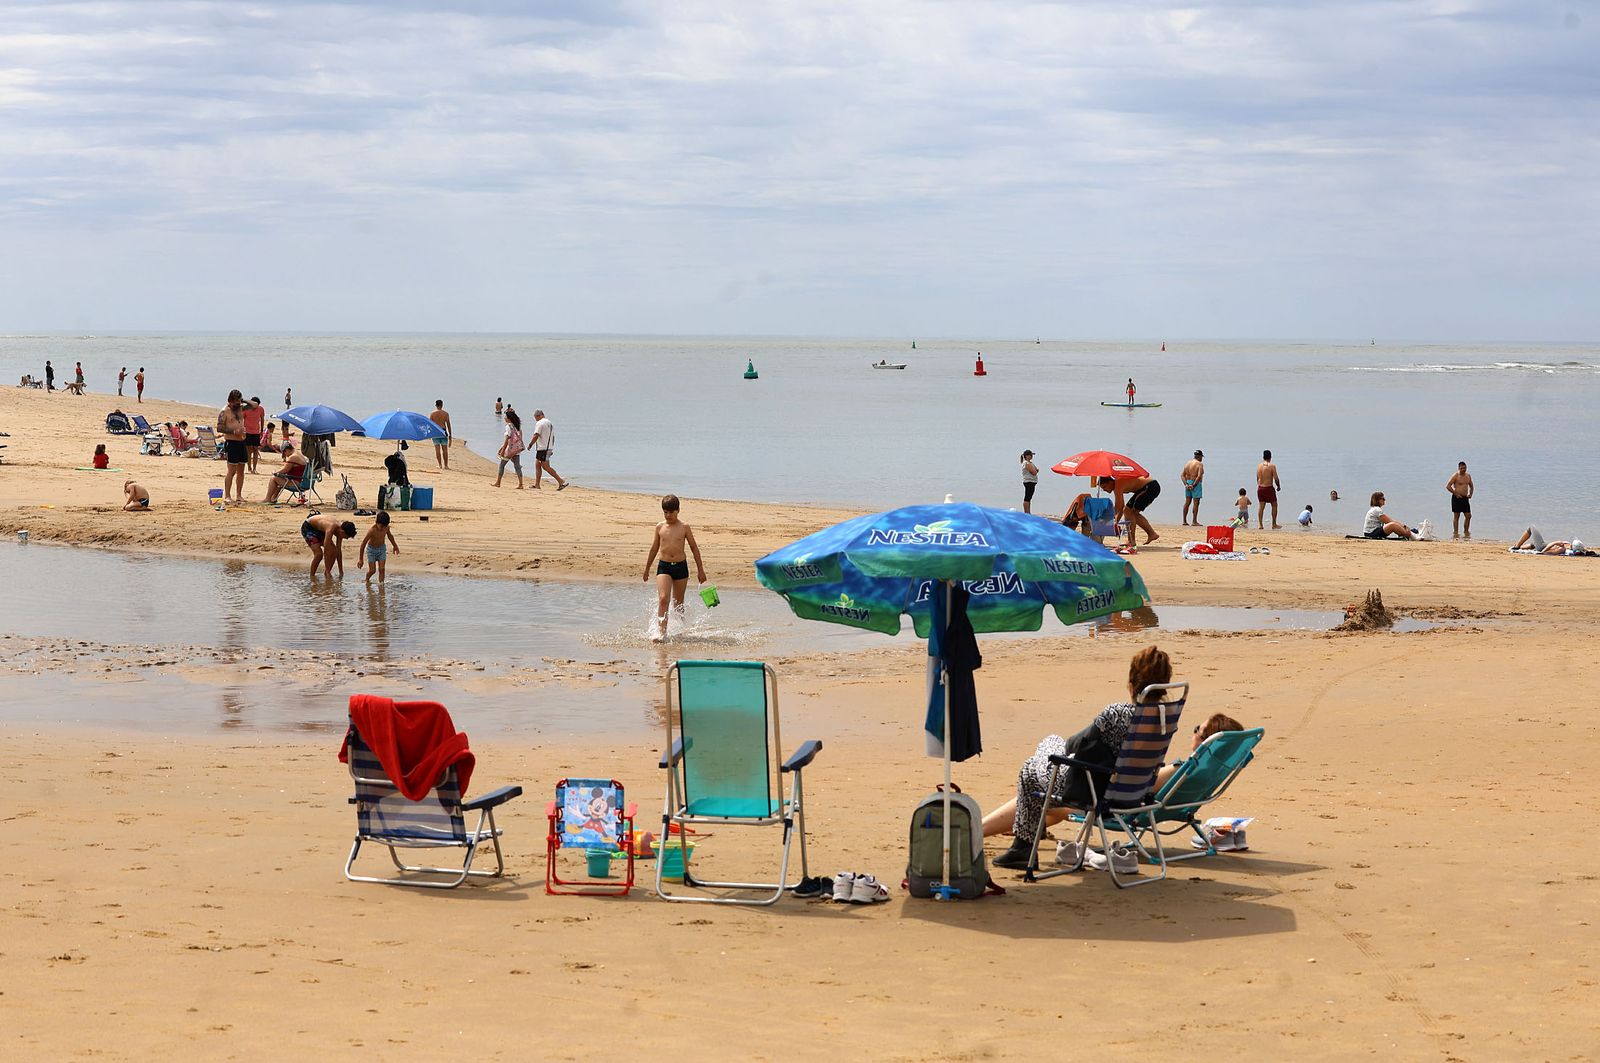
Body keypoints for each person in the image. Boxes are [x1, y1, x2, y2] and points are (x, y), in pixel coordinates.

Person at [982, 646, 1176, 868]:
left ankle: (1023, 847)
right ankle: (1027, 837)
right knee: (1047, 747)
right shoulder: (1165, 720)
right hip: (1133, 790)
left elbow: (1074, 743)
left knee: (1032, 766)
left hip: (1092, 788)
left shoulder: (1118, 713)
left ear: (1131, 684)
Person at [643, 494, 706, 642]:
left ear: (678, 510)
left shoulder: (684, 527)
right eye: (665, 512)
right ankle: (661, 632)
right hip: (663, 566)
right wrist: (646, 569)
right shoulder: (659, 527)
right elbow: (654, 548)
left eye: (671, 512)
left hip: (680, 567)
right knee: (663, 599)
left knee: (678, 604)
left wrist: (700, 570)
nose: (668, 515)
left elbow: (694, 548)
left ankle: (680, 631)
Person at [1098, 474, 1160, 549]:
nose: (1104, 490)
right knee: (1131, 513)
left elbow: (1118, 508)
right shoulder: (1117, 487)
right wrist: (1116, 522)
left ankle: (1131, 541)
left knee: (1128, 511)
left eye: (1104, 487)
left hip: (1149, 486)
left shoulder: (1118, 484)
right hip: (1150, 487)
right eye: (1102, 488)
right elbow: (1121, 507)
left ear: (1110, 482)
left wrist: (1109, 520)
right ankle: (1152, 534)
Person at [217, 390, 252, 504]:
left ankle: (239, 495)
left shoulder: (240, 408)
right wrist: (233, 431)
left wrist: (243, 401)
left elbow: (254, 405)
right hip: (232, 442)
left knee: (241, 470)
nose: (237, 404)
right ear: (230, 401)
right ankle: (227, 495)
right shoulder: (224, 411)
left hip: (242, 442)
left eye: (239, 401)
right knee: (231, 471)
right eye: (235, 402)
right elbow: (219, 428)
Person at [528, 409, 567, 490]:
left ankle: (560, 481)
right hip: (547, 447)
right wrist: (551, 447)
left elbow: (536, 435)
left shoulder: (540, 423)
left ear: (538, 416)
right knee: (537, 465)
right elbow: (553, 437)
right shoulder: (549, 423)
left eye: (535, 417)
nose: (535, 419)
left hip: (543, 448)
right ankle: (537, 484)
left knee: (546, 467)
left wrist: (530, 444)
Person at [360, 511, 399, 584]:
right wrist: (360, 559)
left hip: (381, 549)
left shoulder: (386, 528)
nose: (382, 528)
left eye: (384, 527)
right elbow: (363, 544)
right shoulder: (372, 530)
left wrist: (395, 546)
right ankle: (367, 579)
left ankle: (381, 585)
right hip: (371, 550)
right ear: (376, 522)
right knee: (372, 570)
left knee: (382, 569)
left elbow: (390, 536)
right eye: (381, 526)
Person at [493, 408, 525, 488]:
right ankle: (521, 484)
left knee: (502, 465)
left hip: (510, 449)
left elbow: (507, 439)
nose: (504, 418)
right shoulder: (517, 426)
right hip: (517, 449)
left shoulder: (508, 426)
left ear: (509, 418)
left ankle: (498, 482)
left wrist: (503, 450)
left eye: (505, 417)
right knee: (517, 466)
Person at [1511, 528, 1589, 555]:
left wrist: (1554, 543)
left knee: (1531, 528)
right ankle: (1519, 546)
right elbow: (1582, 549)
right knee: (1533, 544)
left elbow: (1544, 552)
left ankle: (1517, 547)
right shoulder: (1568, 545)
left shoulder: (1563, 549)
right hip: (1541, 545)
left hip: (1541, 546)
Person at [1447, 461, 1474, 539]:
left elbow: (1471, 486)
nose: (1463, 469)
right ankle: (1456, 533)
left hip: (1465, 498)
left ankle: (1466, 533)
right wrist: (1455, 493)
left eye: (1464, 468)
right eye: (1461, 468)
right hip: (1457, 498)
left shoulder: (1468, 476)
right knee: (1456, 516)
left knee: (1468, 516)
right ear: (1459, 468)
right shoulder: (1456, 476)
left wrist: (1470, 494)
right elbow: (1448, 486)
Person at [1256, 450, 1281, 529]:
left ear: (1263, 457)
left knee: (1261, 506)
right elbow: (1276, 478)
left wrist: (1259, 485)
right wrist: (1278, 486)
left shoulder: (1259, 466)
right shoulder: (1272, 466)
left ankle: (1260, 524)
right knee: (1274, 505)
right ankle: (1274, 524)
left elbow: (1257, 478)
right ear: (1270, 457)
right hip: (1268, 488)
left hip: (1260, 488)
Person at [1180, 449, 1205, 526]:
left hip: (1188, 482)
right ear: (1199, 456)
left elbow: (1182, 475)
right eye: (1201, 457)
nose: (1202, 458)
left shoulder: (1188, 463)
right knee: (1196, 503)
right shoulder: (1199, 464)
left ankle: (1184, 521)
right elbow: (1199, 476)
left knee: (1187, 502)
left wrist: (1186, 484)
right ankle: (1194, 521)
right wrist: (1193, 485)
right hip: (1196, 484)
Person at [243, 396, 266, 473]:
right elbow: (242, 419)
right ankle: (249, 468)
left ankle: (254, 468)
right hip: (247, 432)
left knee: (256, 449)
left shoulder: (261, 409)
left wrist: (262, 430)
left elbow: (262, 419)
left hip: (256, 432)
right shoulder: (246, 409)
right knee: (249, 450)